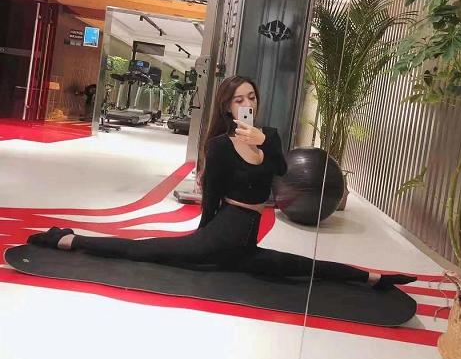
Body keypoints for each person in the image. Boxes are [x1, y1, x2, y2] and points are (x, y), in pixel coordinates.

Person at [28, 75, 416, 290]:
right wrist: (201, 238)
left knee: (295, 265)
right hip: (221, 234)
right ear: (228, 107)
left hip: (244, 240)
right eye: (238, 100)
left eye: (251, 97)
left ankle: (374, 277)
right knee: (144, 250)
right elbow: (212, 196)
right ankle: (68, 240)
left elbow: (281, 171)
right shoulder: (219, 146)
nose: (247, 103)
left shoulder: (271, 135)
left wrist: (264, 143)